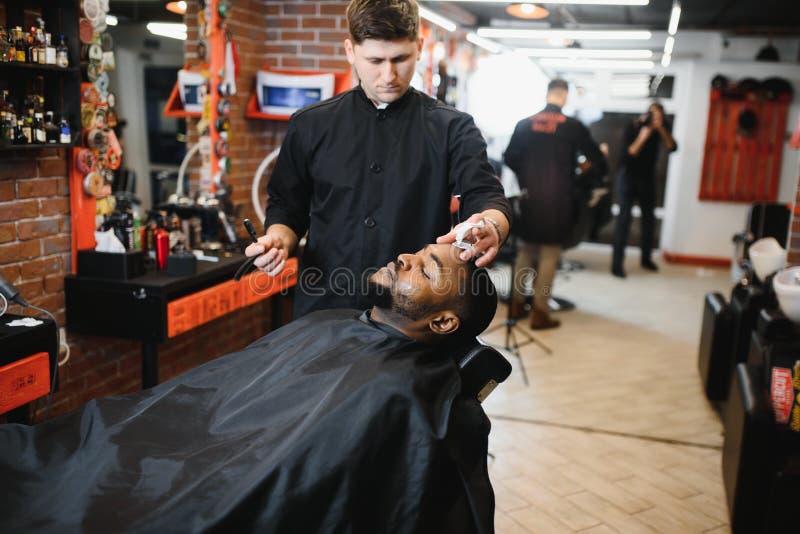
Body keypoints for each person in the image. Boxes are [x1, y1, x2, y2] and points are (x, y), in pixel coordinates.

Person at [0, 244, 500, 534]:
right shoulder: (334, 323)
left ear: (442, 323)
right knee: (77, 439)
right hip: (169, 441)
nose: (406, 256)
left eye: (426, 268)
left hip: (204, 484)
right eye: (420, 251)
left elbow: (288, 472)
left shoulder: (393, 392)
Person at [246, 0, 511, 319]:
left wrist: (490, 225)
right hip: (325, 305)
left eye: (400, 59)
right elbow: (287, 205)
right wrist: (278, 239)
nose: (389, 75)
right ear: (350, 51)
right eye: (375, 60)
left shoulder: (452, 127)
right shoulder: (309, 124)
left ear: (419, 48)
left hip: (410, 315)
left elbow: (483, 193)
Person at [503, 79, 607, 329]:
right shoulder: (573, 127)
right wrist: (580, 175)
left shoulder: (525, 124)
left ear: (548, 94)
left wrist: (527, 176)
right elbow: (597, 161)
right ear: (565, 96)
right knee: (549, 254)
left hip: (530, 196)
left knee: (526, 251)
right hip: (559, 199)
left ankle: (516, 304)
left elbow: (510, 158)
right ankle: (540, 311)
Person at [611, 102, 677, 278]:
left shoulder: (662, 128)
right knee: (624, 220)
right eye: (652, 116)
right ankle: (617, 264)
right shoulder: (634, 126)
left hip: (647, 179)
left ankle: (646, 259)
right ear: (646, 114)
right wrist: (644, 134)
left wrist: (660, 129)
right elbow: (629, 154)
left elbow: (672, 147)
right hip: (627, 177)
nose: (655, 119)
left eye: (659, 117)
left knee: (649, 221)